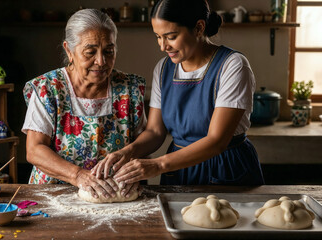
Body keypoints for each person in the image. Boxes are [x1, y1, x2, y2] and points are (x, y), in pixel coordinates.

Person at [92, 0, 265, 186]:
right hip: (178, 170)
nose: (163, 46)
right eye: (158, 37)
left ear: (199, 28)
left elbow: (217, 141)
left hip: (225, 167)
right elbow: (155, 131)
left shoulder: (232, 65)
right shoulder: (164, 68)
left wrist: (158, 165)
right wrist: (127, 152)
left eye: (171, 36)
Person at [22, 9, 146, 199]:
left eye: (109, 52)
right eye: (90, 52)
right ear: (69, 50)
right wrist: (78, 175)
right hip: (53, 195)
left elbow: (143, 146)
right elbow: (35, 150)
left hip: (113, 195)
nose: (101, 61)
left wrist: (135, 173)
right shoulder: (48, 89)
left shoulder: (129, 88)